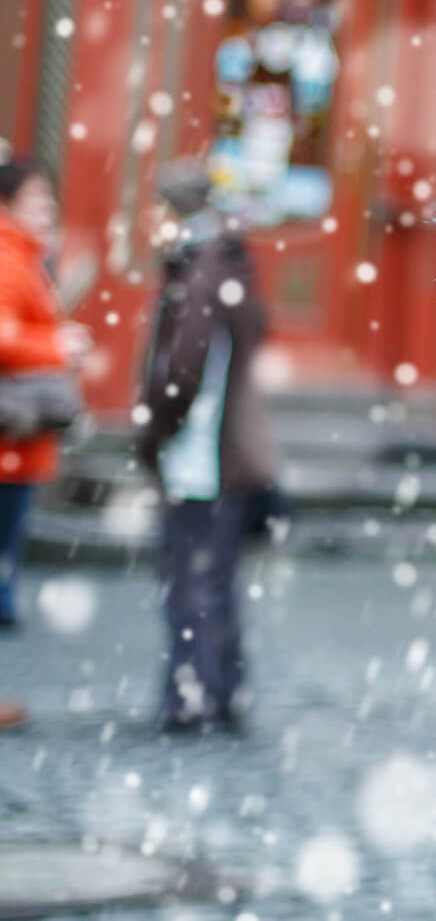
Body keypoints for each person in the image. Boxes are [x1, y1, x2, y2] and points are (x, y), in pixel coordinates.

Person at [136, 161, 274, 733]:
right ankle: (224, 690)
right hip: (232, 451)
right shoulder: (230, 264)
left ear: (174, 212)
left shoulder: (199, 274)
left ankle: (192, 698)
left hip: (202, 457)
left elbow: (181, 373)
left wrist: (153, 431)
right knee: (215, 580)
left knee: (191, 583)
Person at [0, 154, 75, 731]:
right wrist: (59, 346)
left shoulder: (24, 256)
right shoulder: (7, 256)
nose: (47, 210)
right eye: (37, 200)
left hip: (19, 445)